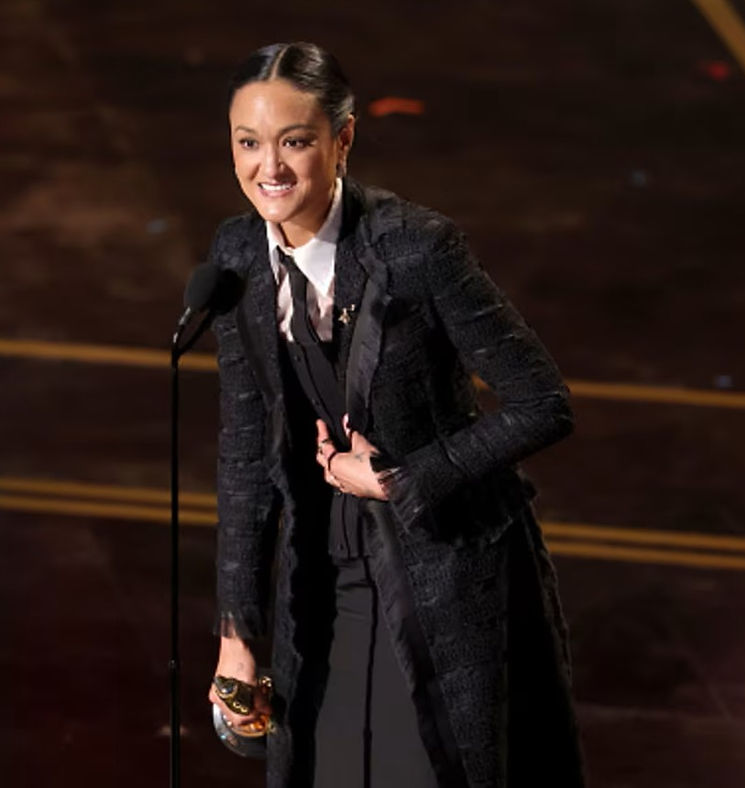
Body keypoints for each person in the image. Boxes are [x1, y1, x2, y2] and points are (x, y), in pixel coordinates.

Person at [206, 41, 585, 788]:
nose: (269, 169)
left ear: (342, 140)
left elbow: (544, 402)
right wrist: (236, 634)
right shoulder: (237, 259)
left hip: (440, 579)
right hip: (323, 587)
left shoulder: (416, 249)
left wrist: (404, 477)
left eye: (295, 141)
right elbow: (246, 456)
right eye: (248, 143)